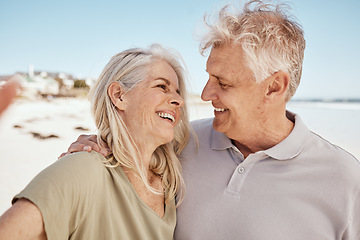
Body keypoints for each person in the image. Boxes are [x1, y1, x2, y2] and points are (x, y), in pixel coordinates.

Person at [52, 0, 360, 239]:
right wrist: (95, 144)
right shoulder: (178, 142)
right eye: (209, 77)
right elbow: (117, 166)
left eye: (223, 83)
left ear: (274, 87)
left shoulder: (345, 179)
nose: (204, 93)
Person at [0, 44, 192, 239]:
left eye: (177, 91)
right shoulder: (81, 170)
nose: (179, 100)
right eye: (162, 86)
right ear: (119, 95)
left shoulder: (171, 181)